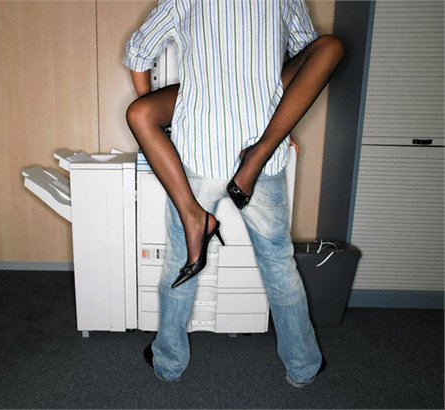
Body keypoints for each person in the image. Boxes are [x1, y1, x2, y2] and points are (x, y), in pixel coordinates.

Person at [123, 0, 343, 386]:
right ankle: (303, 366)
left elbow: (138, 53)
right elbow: (307, 62)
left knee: (181, 260)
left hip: (199, 148)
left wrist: (168, 124)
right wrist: (280, 130)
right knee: (278, 264)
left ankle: (169, 363)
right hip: (262, 151)